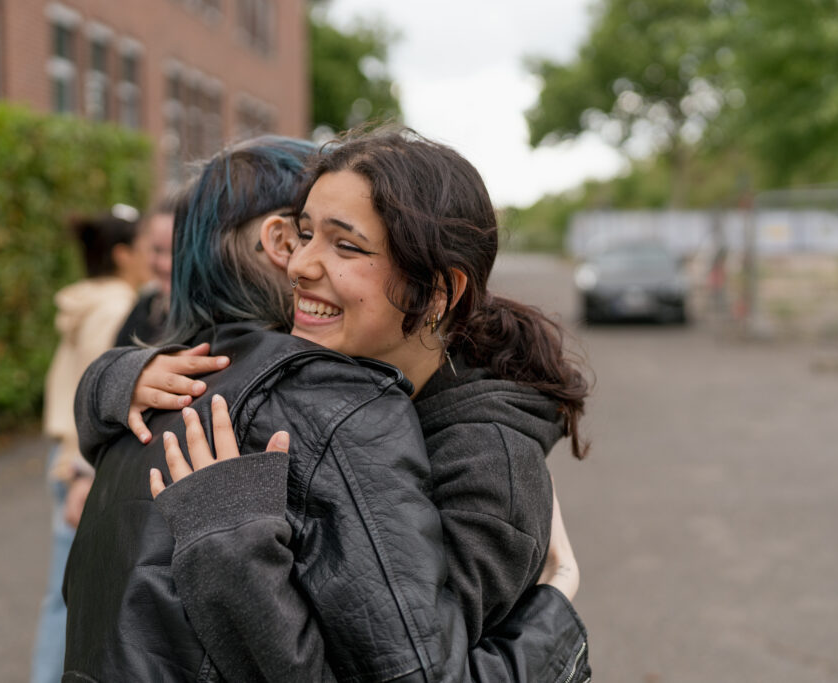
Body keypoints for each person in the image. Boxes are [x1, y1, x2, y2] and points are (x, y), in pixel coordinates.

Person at [66, 134, 590, 682]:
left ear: (437, 293)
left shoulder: (487, 460)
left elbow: (421, 672)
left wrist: (555, 626)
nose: (299, 264)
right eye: (306, 233)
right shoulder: (322, 385)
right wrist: (115, 379)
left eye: (347, 246)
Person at [29, 205, 152, 683]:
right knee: (71, 602)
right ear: (122, 256)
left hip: (63, 459)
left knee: (62, 597)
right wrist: (90, 471)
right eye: (146, 249)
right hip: (84, 465)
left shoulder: (85, 302)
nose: (153, 259)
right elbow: (103, 397)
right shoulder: (114, 309)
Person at [115, 197, 177, 346]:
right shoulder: (145, 307)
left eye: (177, 251)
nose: (165, 264)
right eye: (157, 250)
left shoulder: (211, 322)